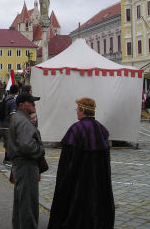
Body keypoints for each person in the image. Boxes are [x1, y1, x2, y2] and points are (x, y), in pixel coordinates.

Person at [48, 97, 115, 229]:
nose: (76, 112)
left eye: (77, 109)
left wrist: (64, 180)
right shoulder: (102, 130)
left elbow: (67, 161)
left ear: (83, 110)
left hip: (79, 179)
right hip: (98, 179)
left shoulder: (76, 129)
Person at [7, 93, 44, 229]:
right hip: (26, 164)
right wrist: (40, 150)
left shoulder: (19, 118)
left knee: (22, 201)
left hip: (20, 164)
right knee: (28, 202)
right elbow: (27, 146)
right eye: (31, 102)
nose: (34, 104)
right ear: (22, 105)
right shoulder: (23, 120)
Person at [0, 84, 19, 166]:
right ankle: (7, 159)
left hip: (2, 124)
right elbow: (12, 116)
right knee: (9, 143)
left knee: (6, 143)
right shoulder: (12, 101)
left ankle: (6, 158)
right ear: (17, 91)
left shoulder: (5, 98)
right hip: (8, 125)